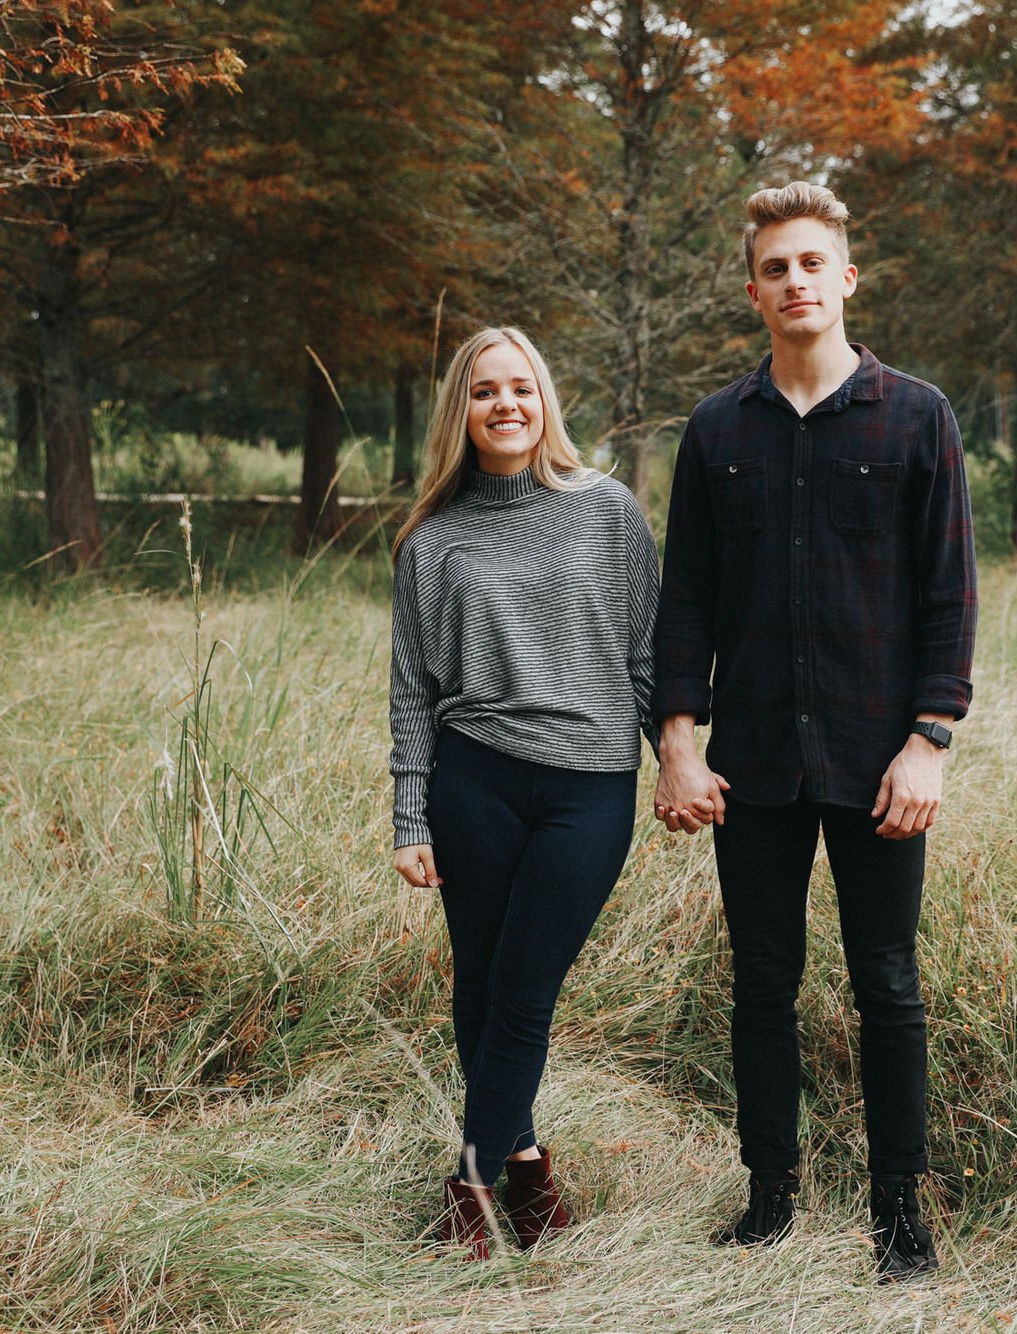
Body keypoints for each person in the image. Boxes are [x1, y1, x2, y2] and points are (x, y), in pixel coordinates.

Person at [651, 182, 977, 1282]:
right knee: (761, 982)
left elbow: (949, 596)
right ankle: (769, 1200)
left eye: (810, 263)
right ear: (753, 292)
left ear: (846, 278)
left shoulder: (915, 415)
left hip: (880, 760)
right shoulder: (717, 429)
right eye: (774, 268)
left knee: (887, 982)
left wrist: (928, 740)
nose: (794, 281)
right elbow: (685, 599)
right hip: (752, 765)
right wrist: (678, 742)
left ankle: (899, 1214)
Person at [389, 325, 658, 1260]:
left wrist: (677, 757)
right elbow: (412, 688)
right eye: (483, 391)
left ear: (545, 401)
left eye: (521, 388)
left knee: (525, 987)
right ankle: (530, 1172)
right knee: (482, 983)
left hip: (589, 784)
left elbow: (646, 651)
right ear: (459, 412)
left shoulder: (608, 511)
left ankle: (470, 1182)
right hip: (475, 782)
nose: (505, 404)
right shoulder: (431, 541)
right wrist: (409, 814)